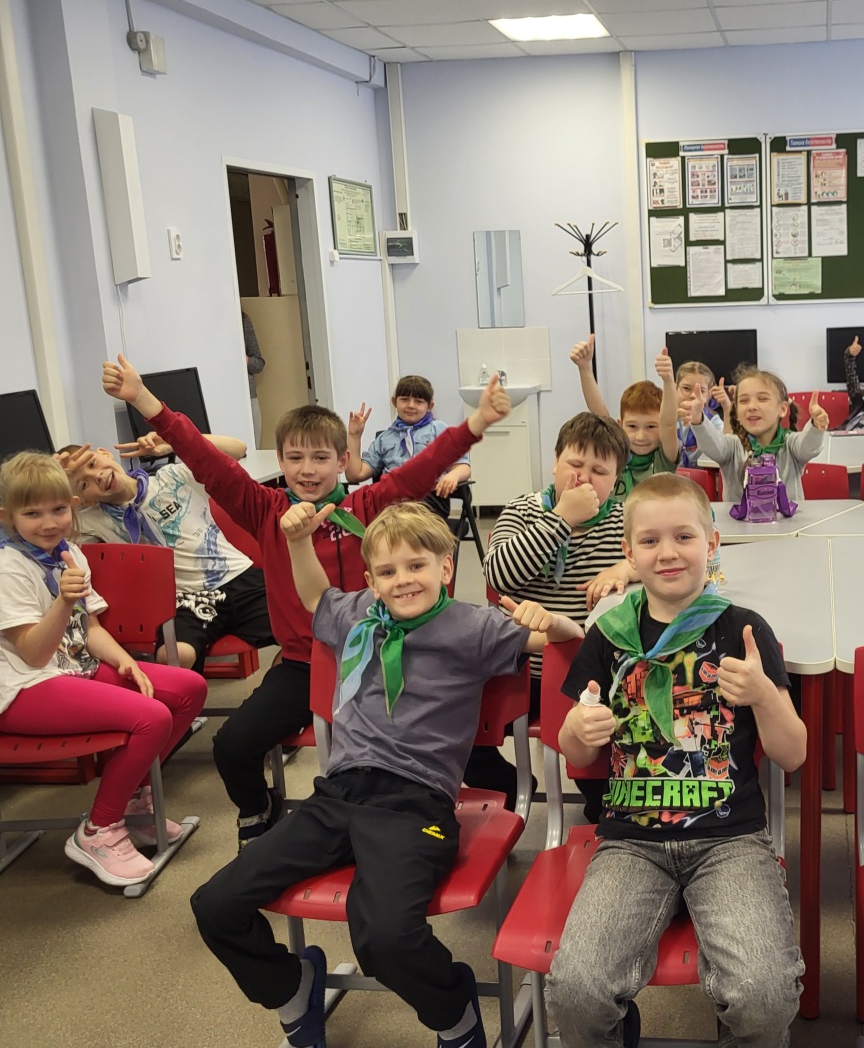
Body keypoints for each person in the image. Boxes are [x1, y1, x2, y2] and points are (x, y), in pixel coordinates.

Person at [191, 501, 582, 1048]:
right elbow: (315, 597)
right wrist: (299, 542)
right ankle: (291, 988)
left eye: (417, 565)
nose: (404, 580)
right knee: (215, 904)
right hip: (336, 795)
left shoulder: (475, 626)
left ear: (446, 567)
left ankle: (455, 1014)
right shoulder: (356, 614)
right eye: (388, 571)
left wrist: (554, 621)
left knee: (384, 937)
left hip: (414, 804)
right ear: (371, 581)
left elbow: (566, 640)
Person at [102, 351, 512, 847]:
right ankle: (259, 811)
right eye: (295, 458)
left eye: (320, 458)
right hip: (305, 664)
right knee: (232, 745)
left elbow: (421, 470)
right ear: (280, 462)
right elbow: (207, 462)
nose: (308, 469)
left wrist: (475, 423)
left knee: (459, 746)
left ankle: (511, 799)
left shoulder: (366, 505)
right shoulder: (265, 508)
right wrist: (142, 398)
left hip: (385, 654)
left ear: (342, 462)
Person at [548, 473, 805, 1048]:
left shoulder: (743, 630)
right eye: (650, 540)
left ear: (711, 543)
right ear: (629, 552)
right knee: (576, 993)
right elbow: (576, 753)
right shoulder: (608, 634)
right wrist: (576, 729)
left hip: (729, 838)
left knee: (764, 997)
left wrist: (764, 695)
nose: (667, 552)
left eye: (684, 537)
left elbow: (793, 754)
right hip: (630, 840)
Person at [0, 452, 204, 886]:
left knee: (186, 689)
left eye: (58, 509)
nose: (49, 523)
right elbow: (34, 654)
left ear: (73, 507)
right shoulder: (8, 568)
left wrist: (124, 660)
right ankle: (98, 830)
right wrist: (63, 601)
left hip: (74, 668)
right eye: (32, 514)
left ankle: (132, 800)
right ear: (7, 517)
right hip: (23, 687)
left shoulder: (68, 552)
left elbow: (89, 628)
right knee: (152, 717)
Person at [474, 412, 638, 815]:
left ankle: (601, 800)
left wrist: (625, 567)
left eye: (599, 471)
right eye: (574, 464)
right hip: (520, 668)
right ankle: (507, 782)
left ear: (616, 479)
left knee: (607, 734)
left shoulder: (624, 520)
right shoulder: (523, 512)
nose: (583, 478)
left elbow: (662, 560)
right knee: (452, 710)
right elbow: (499, 574)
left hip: (590, 673)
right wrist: (562, 519)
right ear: (554, 463)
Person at [61, 432, 276, 673]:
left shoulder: (172, 477)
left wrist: (175, 441)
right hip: (187, 600)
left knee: (302, 626)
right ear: (83, 500)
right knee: (173, 656)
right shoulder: (92, 520)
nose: (97, 476)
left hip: (240, 577)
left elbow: (238, 449)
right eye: (84, 484)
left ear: (104, 453)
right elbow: (34, 523)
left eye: (92, 464)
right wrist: (51, 474)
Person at [687, 367, 828, 503]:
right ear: (737, 412)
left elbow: (808, 448)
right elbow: (712, 445)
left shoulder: (790, 444)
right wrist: (698, 420)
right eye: (744, 401)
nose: (752, 407)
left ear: (782, 409)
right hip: (739, 521)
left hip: (788, 521)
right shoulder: (732, 446)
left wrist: (816, 427)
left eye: (762, 399)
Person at [343, 375, 474, 520]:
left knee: (404, 517)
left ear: (429, 406)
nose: (411, 405)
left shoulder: (438, 430)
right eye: (404, 399)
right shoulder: (385, 438)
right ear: (394, 402)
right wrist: (354, 436)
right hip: (391, 499)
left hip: (428, 497)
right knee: (368, 507)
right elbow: (355, 474)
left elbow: (463, 467)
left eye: (418, 401)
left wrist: (453, 476)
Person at [571, 333, 680, 493]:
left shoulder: (664, 458)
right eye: (632, 426)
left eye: (651, 427)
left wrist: (669, 381)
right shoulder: (617, 451)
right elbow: (599, 414)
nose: (641, 436)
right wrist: (585, 368)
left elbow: (669, 424)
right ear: (620, 425)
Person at [674, 359, 726, 469]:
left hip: (704, 476)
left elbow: (725, 450)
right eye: (686, 388)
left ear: (709, 394)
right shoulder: (669, 419)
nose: (693, 395)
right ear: (675, 389)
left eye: (701, 391)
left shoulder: (714, 422)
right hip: (672, 476)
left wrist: (727, 407)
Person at [244, 311, 265, 445]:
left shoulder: (243, 320)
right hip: (220, 398)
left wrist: (246, 360)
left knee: (253, 448)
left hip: (249, 397)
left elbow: (259, 364)